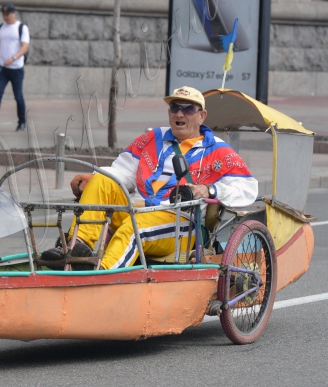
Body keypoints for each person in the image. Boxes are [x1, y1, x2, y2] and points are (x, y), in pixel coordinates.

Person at [42, 87, 259, 270]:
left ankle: (103, 274)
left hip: (178, 221)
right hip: (136, 208)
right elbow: (122, 172)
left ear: (202, 115)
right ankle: (75, 247)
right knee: (102, 180)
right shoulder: (151, 138)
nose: (180, 114)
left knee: (133, 228)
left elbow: (247, 188)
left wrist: (209, 190)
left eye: (188, 109)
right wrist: (96, 177)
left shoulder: (218, 150)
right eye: (175, 107)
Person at [0, 4, 30, 133]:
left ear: (14, 13)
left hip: (16, 69)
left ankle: (22, 122)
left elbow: (25, 47)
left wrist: (14, 58)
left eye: (7, 14)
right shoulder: (1, 28)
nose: (5, 17)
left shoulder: (21, 28)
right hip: (2, 68)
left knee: (18, 96)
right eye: (3, 14)